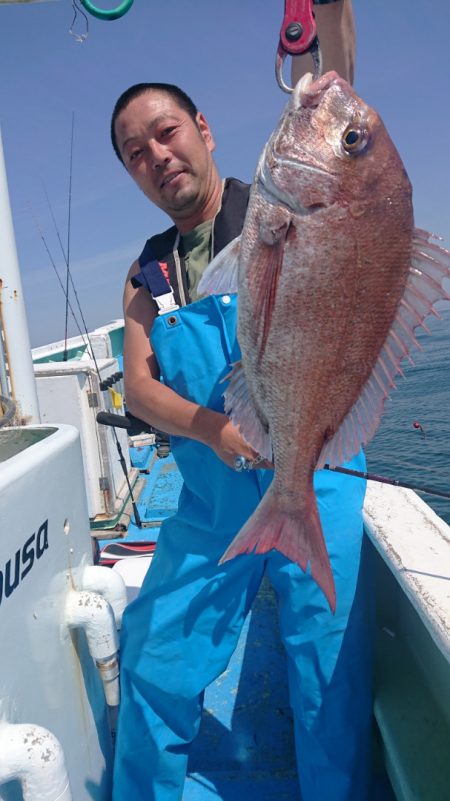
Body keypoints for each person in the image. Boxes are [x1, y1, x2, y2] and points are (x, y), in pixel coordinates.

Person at [111, 3, 373, 799]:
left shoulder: (283, 205)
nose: (157, 156)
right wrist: (215, 429)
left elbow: (334, 95)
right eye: (135, 153)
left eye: (166, 132)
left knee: (327, 671)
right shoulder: (146, 275)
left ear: (204, 129)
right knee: (154, 655)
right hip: (213, 499)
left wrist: (327, 12)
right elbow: (139, 386)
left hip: (318, 473)